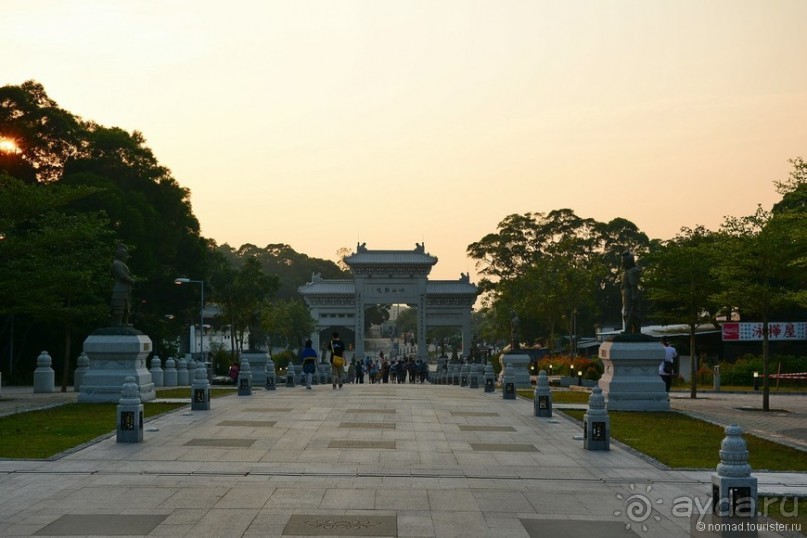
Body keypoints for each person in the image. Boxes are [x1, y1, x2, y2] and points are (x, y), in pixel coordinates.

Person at [110, 244, 135, 326]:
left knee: (127, 306)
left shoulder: (122, 263)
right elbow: (122, 276)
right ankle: (118, 322)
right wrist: (131, 280)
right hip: (120, 288)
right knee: (119, 305)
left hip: (126, 289)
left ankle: (125, 321)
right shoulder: (116, 263)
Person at [620, 251, 643, 334]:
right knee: (627, 313)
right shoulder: (626, 271)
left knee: (633, 313)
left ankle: (634, 330)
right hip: (626, 296)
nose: (622, 263)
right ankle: (628, 330)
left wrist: (634, 295)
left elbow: (633, 284)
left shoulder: (633, 271)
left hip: (630, 295)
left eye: (624, 261)